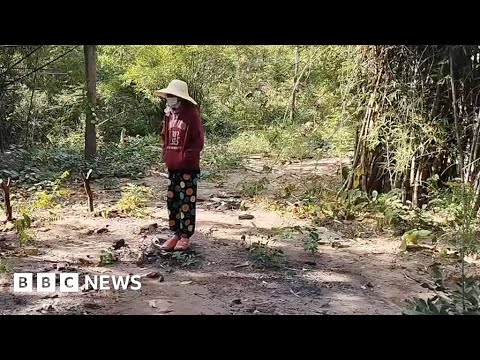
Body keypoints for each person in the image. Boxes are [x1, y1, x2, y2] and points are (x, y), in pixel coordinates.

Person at [154, 79, 205, 251]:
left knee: (186, 201)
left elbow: (198, 141)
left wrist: (185, 157)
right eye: (168, 95)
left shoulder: (191, 114)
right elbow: (164, 136)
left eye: (172, 95)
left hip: (187, 168)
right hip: (172, 166)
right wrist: (166, 155)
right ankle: (175, 233)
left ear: (180, 97)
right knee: (173, 200)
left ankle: (185, 236)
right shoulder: (169, 114)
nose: (169, 98)